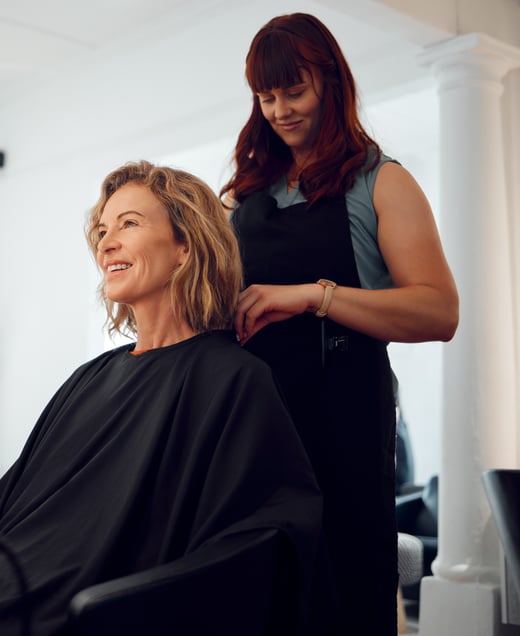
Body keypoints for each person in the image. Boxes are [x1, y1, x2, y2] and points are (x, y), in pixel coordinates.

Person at [0, 160, 322, 635]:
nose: (107, 243)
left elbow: (265, 533)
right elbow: (6, 504)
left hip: (85, 610)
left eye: (129, 224)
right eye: (102, 230)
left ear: (186, 244)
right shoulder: (92, 377)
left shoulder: (232, 379)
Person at [220, 12, 459, 636]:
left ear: (331, 83)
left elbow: (439, 310)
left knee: (344, 593)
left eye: (293, 91)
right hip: (256, 427)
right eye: (265, 97)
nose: (279, 110)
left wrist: (311, 297)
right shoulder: (242, 195)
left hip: (345, 423)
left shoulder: (383, 181)